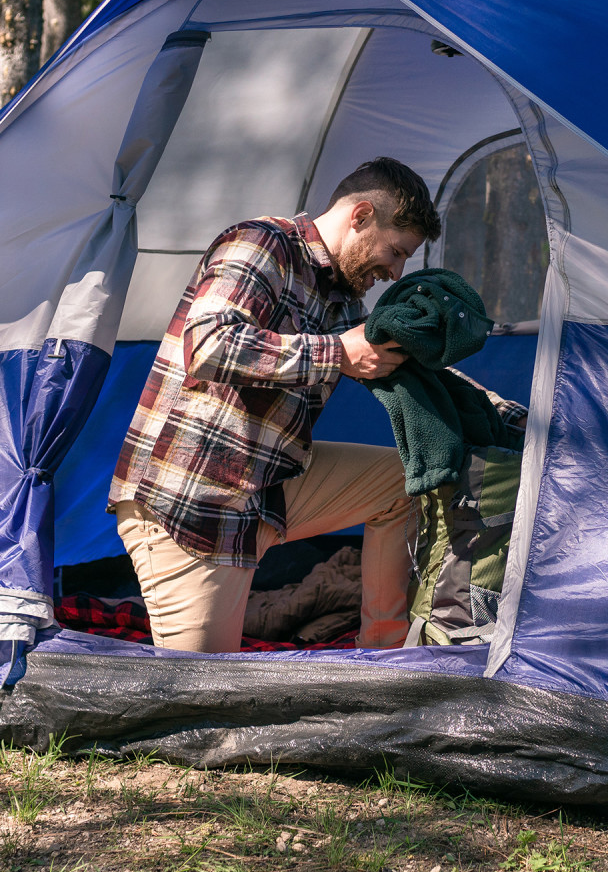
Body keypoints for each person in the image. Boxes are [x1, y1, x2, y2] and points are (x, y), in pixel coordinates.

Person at [111, 156, 520, 652]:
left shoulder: (341, 297)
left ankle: (386, 658)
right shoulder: (263, 243)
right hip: (192, 499)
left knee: (399, 483)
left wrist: (500, 409)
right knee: (202, 697)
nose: (395, 272)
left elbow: (404, 363)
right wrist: (338, 353)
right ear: (361, 215)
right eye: (396, 251)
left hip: (265, 488)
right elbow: (208, 343)